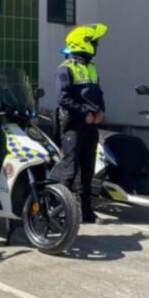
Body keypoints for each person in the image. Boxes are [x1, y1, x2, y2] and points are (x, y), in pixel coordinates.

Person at [52, 23, 109, 223]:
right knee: (69, 171)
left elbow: (98, 93)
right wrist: (85, 112)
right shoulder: (65, 69)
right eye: (94, 42)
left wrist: (101, 111)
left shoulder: (91, 67)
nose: (97, 46)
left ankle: (86, 212)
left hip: (91, 125)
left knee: (88, 170)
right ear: (84, 44)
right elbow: (63, 98)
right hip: (74, 126)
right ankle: (60, 212)